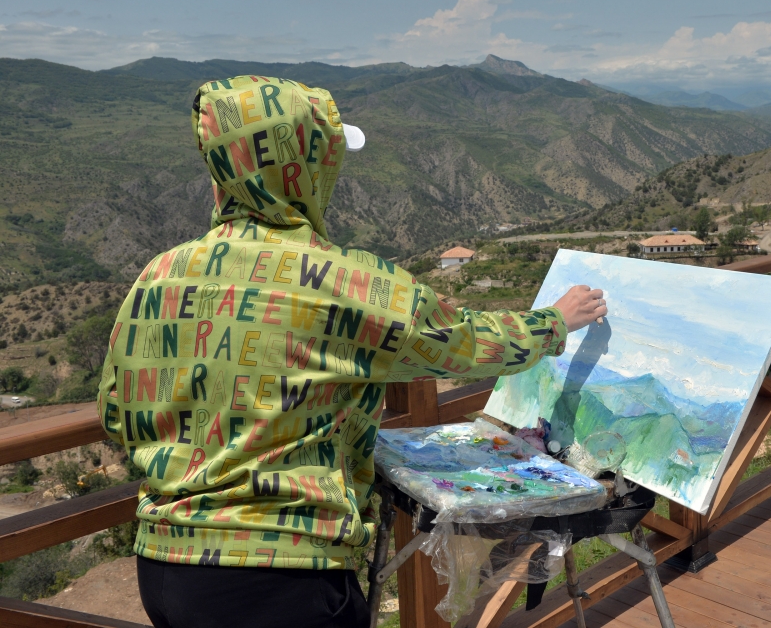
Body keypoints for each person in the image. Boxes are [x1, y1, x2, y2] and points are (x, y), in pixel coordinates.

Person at [97, 75, 607, 628]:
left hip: (164, 565)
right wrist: (554, 322)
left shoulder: (160, 274)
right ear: (306, 171)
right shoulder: (348, 283)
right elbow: (461, 343)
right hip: (283, 575)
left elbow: (115, 412)